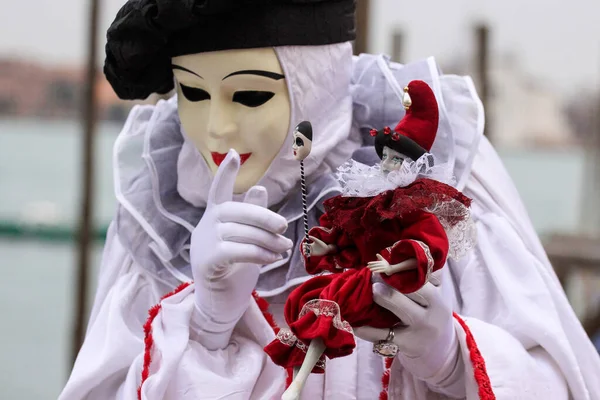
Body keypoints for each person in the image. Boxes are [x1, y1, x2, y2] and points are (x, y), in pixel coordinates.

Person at [59, 1, 600, 399]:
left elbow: (562, 381)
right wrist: (204, 323)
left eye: (251, 94)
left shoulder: (430, 179)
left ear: (312, 83)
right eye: (192, 94)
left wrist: (451, 356)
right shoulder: (165, 221)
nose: (217, 129)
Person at [265, 80, 479, 400]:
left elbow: (429, 248)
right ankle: (295, 378)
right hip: (362, 278)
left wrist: (394, 267)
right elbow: (349, 242)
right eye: (387, 157)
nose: (387, 165)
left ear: (412, 165)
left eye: (396, 159)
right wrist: (327, 247)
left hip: (382, 285)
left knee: (332, 300)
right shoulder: (369, 202)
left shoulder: (411, 210)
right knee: (303, 297)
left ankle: (298, 384)